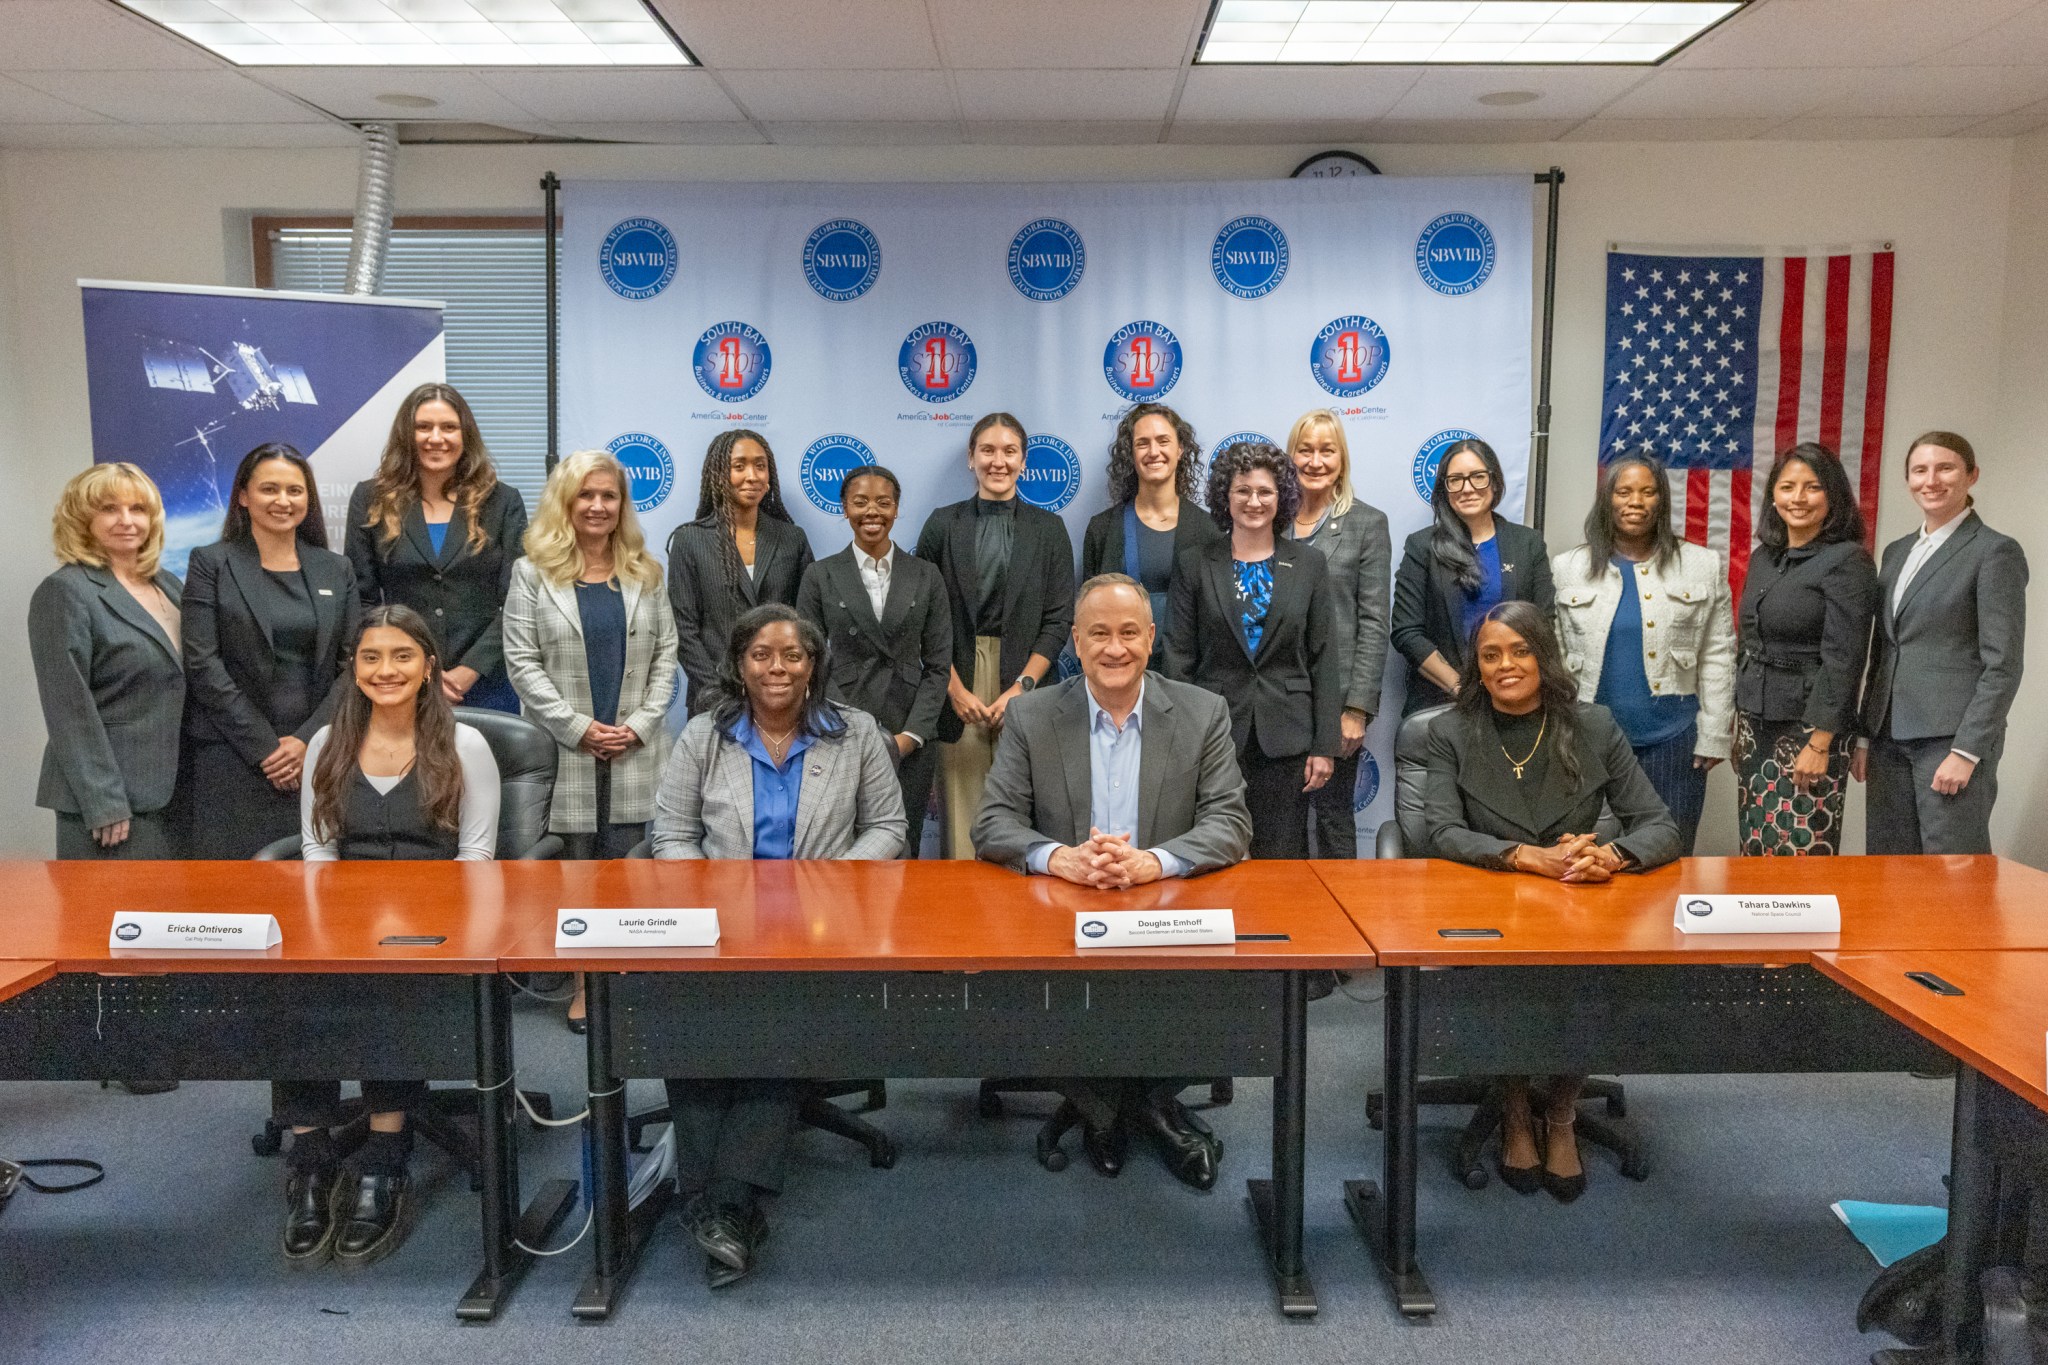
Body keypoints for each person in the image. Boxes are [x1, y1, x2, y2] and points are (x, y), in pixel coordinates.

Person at [651, 603, 906, 1287]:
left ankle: (720, 1202)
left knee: (774, 1025)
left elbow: (888, 828)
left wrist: (827, 883)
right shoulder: (706, 735)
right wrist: (710, 897)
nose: (777, 667)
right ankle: (728, 1211)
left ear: (814, 664)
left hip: (817, 936)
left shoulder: (855, 733)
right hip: (720, 931)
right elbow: (670, 835)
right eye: (762, 653)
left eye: (792, 654)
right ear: (739, 664)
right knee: (691, 1024)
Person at [974, 574, 1253, 1190]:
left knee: (1226, 993)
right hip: (1063, 911)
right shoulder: (1032, 714)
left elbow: (1230, 823)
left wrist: (1155, 862)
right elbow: (992, 824)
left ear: (1151, 639)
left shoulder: (1203, 712)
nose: (1115, 648)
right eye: (1098, 633)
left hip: (1165, 908)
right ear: (1075, 641)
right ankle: (1132, 1108)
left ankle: (1124, 1103)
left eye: (1130, 632)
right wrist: (1060, 858)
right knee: (1047, 991)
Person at [1421, 601, 1680, 1202]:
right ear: (1476, 666)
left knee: (1587, 981)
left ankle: (1560, 1113)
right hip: (1487, 900)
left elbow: (1659, 825)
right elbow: (1437, 831)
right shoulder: (1450, 731)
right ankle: (1514, 1110)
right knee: (1506, 983)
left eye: (1520, 650)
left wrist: (1610, 857)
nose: (1506, 665)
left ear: (1544, 656)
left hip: (1575, 905)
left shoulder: (1593, 726)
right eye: (1490, 655)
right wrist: (1523, 856)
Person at [283, 604, 502, 1267]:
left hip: (430, 933)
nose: (386, 670)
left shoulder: (466, 746)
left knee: (388, 984)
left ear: (430, 665)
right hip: (342, 924)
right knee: (293, 984)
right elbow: (316, 853)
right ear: (354, 667)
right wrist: (322, 936)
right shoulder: (326, 744)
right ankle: (313, 1156)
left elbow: (477, 860)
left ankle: (384, 1153)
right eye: (372, 657)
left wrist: (432, 930)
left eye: (402, 656)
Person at [504, 450, 679, 1031]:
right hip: (566, 749)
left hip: (634, 748)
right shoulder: (531, 573)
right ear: (566, 502)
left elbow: (667, 657)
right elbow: (521, 663)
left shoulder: (645, 571)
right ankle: (582, 986)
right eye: (587, 495)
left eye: (609, 496)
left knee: (627, 871)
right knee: (576, 875)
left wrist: (643, 723)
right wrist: (578, 728)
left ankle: (623, 984)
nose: (599, 506)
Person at [180, 444, 359, 859]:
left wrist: (306, 742)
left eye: (295, 491)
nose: (283, 501)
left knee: (316, 888)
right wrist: (267, 748)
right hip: (233, 756)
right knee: (234, 893)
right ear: (244, 496)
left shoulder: (337, 569)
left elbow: (353, 666)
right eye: (269, 489)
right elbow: (202, 663)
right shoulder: (211, 563)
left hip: (320, 755)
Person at [1551, 452, 1735, 855]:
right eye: (1624, 491)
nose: (1636, 501)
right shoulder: (1568, 567)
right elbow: (1556, 654)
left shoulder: (1701, 565)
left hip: (1671, 740)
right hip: (1586, 740)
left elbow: (1718, 653)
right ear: (1608, 499)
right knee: (1578, 855)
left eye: (1648, 492)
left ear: (1661, 501)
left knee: (1666, 854)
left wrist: (1716, 734)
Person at [1854, 431, 2027, 855]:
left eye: (1945, 468)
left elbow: (2003, 664)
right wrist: (1863, 736)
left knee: (1953, 876)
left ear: (1971, 476)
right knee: (1889, 871)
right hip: (1888, 736)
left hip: (1949, 742)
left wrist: (1967, 751)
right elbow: (1883, 649)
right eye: (1919, 470)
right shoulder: (1896, 552)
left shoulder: (1994, 552)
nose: (1931, 480)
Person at [1165, 440, 1338, 859]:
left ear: (1282, 497)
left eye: (1265, 491)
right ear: (1226, 496)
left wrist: (1324, 745)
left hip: (1288, 738)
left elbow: (1325, 657)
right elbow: (1178, 657)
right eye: (1242, 490)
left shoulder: (1310, 565)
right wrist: (1182, 739)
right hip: (1215, 734)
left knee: (1281, 858)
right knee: (1212, 853)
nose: (1254, 501)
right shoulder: (1194, 562)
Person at [915, 413, 1074, 858]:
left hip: (1028, 682)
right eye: (987, 450)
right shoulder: (942, 525)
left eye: (1009, 451)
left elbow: (1060, 619)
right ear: (971, 458)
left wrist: (1023, 687)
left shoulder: (1049, 529)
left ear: (1024, 461)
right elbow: (922, 615)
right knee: (963, 818)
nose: (998, 461)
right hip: (955, 681)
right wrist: (954, 690)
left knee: (1026, 815)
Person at [30, 463, 185, 860]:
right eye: (109, 509)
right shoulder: (66, 592)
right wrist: (104, 801)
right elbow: (68, 707)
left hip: (173, 795)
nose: (126, 521)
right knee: (107, 921)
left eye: (138, 509)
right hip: (111, 807)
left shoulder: (168, 585)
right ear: (81, 518)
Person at [796, 464, 951, 857]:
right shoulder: (820, 574)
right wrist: (846, 727)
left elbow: (937, 664)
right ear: (844, 508)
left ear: (897, 509)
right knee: (842, 845)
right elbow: (807, 661)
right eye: (860, 502)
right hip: (842, 727)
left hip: (910, 730)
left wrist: (911, 737)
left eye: (884, 502)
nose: (872, 512)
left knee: (905, 843)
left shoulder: (926, 574)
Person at [344, 383, 528, 713]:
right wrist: (414, 667)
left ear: (465, 435)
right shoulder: (370, 499)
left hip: (486, 681)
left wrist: (469, 670)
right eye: (423, 427)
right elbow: (363, 599)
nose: (436, 437)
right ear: (406, 434)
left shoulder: (502, 502)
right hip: (400, 681)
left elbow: (516, 601)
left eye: (449, 427)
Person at [1733, 443, 1878, 857]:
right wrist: (1736, 715)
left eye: (1812, 487)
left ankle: (1798, 926)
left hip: (1809, 730)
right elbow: (1750, 641)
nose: (1798, 498)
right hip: (1754, 722)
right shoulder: (1766, 557)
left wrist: (1820, 742)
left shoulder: (1847, 561)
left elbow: (1845, 658)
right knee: (1756, 842)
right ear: (1773, 495)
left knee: (1798, 846)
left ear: (1832, 495)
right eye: (1787, 487)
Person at [1282, 408, 1392, 857]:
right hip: (1281, 704)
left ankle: (1339, 921)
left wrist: (1357, 709)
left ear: (1341, 460)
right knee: (1280, 824)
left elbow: (1373, 621)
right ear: (1290, 458)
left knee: (1332, 822)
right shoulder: (1270, 522)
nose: (1315, 461)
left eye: (1327, 450)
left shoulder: (1367, 523)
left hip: (1338, 702)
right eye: (1304, 450)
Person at [1392, 437, 1554, 714]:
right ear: (1444, 487)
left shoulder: (1528, 544)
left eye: (1478, 477)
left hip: (1515, 699)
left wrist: (1503, 687)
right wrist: (1462, 688)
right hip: (1441, 703)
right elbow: (1407, 631)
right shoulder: (1422, 547)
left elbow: (1544, 624)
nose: (1467, 488)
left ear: (1494, 481)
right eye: (1456, 479)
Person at [666, 428, 814, 716]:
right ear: (719, 475)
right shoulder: (690, 540)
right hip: (714, 702)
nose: (752, 475)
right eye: (739, 466)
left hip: (782, 698)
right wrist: (723, 691)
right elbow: (684, 631)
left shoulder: (792, 538)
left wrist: (785, 683)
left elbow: (808, 622)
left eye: (761, 466)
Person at [1078, 402, 1223, 667]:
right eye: (1142, 443)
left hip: (1189, 678)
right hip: (1118, 671)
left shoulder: (1209, 530)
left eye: (1163, 441)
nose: (1153, 452)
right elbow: (1089, 614)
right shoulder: (1102, 529)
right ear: (1131, 454)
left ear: (1180, 449)